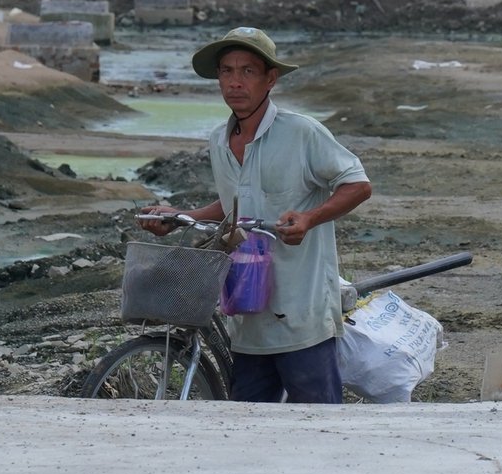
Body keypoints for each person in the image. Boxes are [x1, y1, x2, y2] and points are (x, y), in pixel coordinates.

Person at [142, 27, 371, 403]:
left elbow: (358, 185)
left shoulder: (302, 133)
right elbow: (234, 203)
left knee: (319, 429)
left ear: (270, 79)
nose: (235, 82)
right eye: (227, 71)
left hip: (301, 314)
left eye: (248, 71)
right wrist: (181, 216)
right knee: (247, 428)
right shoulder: (219, 139)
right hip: (247, 314)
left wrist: (310, 218)